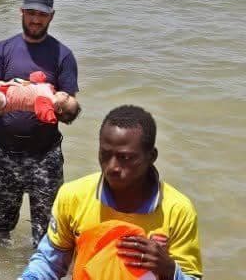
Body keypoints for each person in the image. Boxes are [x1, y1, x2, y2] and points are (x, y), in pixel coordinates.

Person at [18, 105, 203, 280]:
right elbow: (50, 262)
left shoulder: (178, 210)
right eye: (105, 155)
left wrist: (169, 269)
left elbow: (191, 275)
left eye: (125, 158)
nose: (112, 167)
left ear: (151, 157)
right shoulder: (73, 196)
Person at [0, 0, 79, 245]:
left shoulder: (63, 55)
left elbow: (70, 112)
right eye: (31, 13)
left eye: (42, 15)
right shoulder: (2, 50)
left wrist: (63, 103)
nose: (36, 19)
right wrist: (13, 97)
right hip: (5, 153)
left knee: (49, 232)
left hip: (46, 155)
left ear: (52, 16)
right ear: (21, 12)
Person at [0, 71, 81, 124]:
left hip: (6, 101)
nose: (65, 94)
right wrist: (38, 77)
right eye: (68, 95)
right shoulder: (51, 89)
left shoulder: (46, 103)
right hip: (8, 87)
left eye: (66, 99)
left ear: (59, 109)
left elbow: (43, 113)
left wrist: (51, 115)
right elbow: (36, 82)